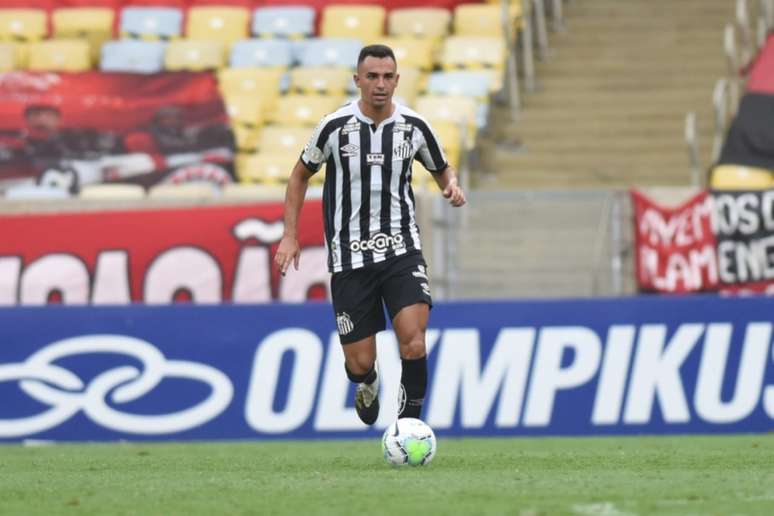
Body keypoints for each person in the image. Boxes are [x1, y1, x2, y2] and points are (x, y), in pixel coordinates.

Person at [274, 44, 466, 426]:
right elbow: (299, 175)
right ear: (357, 80)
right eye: (373, 77)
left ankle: (409, 426)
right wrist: (289, 235)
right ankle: (368, 382)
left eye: (388, 77)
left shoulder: (414, 126)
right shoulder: (334, 127)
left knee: (413, 341)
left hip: (401, 251)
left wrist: (452, 186)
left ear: (397, 80)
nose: (381, 84)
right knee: (359, 361)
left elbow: (442, 168)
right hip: (350, 259)